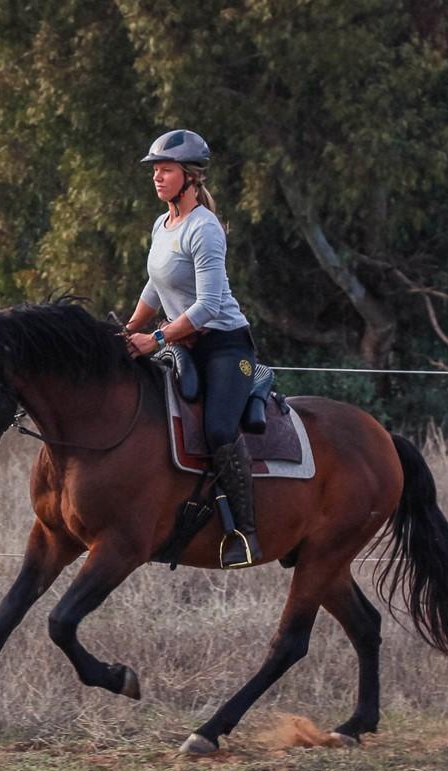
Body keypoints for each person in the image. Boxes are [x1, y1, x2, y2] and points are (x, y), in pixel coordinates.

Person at [125, 129, 261, 568]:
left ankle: (245, 531)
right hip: (181, 341)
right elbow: (156, 283)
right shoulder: (162, 225)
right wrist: (129, 330)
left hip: (224, 346)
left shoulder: (205, 229)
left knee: (219, 428)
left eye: (165, 170)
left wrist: (156, 339)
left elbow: (208, 307)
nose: (157, 177)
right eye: (155, 170)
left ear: (191, 177)